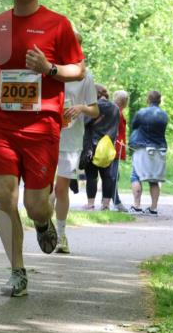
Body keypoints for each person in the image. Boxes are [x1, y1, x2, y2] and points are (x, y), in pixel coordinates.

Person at [0, 0, 86, 297]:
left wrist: (49, 69)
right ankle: (17, 272)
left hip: (41, 127)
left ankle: (42, 220)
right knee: (5, 197)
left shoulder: (58, 24)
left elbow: (77, 70)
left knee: (35, 203)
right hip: (2, 123)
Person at [52, 36, 98, 253]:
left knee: (61, 188)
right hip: (45, 135)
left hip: (70, 139)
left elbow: (95, 110)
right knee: (43, 191)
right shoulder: (48, 70)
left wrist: (80, 108)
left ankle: (61, 236)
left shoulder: (85, 76)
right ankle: (45, 223)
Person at [79, 84, 122, 216]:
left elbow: (84, 123)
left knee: (92, 176)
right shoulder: (115, 108)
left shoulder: (94, 107)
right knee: (107, 176)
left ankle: (91, 204)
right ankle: (105, 205)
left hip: (92, 146)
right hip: (108, 146)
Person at [129, 90, 169, 216]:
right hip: (159, 149)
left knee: (136, 176)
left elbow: (134, 126)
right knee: (154, 179)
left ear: (148, 99)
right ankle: (153, 208)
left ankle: (136, 206)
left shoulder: (142, 113)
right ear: (160, 100)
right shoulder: (164, 115)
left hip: (142, 148)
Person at [111, 90, 130, 212]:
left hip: (117, 147)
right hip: (114, 148)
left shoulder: (118, 111)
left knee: (114, 175)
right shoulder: (115, 111)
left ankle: (112, 200)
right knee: (113, 175)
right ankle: (115, 201)